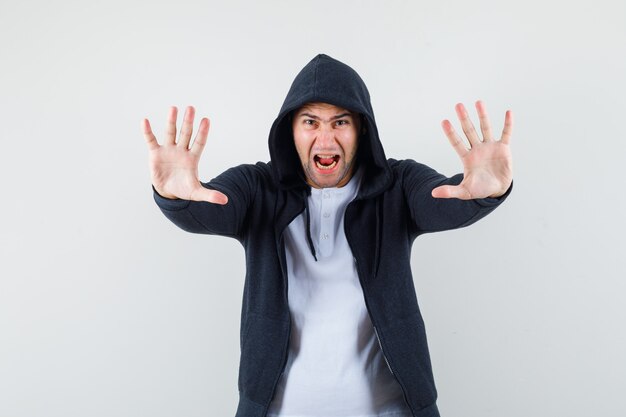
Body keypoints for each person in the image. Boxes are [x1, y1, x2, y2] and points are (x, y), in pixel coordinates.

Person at [142, 54, 513, 417]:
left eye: (340, 122)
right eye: (310, 122)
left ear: (361, 129)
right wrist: (176, 196)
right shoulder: (258, 188)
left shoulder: (396, 186)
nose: (325, 137)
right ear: (291, 129)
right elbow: (212, 207)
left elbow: (441, 200)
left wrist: (484, 192)